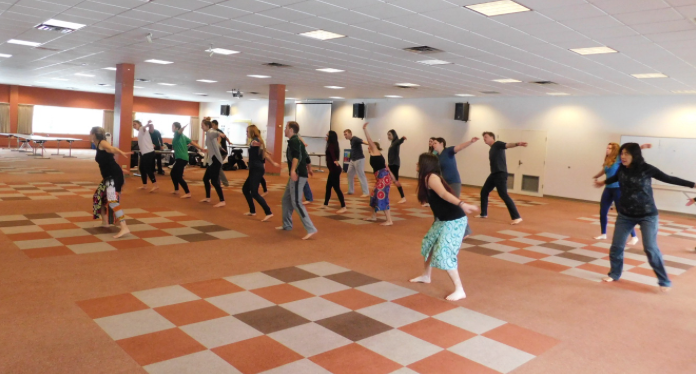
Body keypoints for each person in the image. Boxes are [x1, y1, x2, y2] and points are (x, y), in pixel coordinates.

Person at [594, 143, 695, 291]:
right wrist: (603, 181)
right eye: (621, 153)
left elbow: (669, 178)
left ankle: (664, 280)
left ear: (635, 155)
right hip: (625, 215)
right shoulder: (622, 168)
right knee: (616, 246)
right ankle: (615, 273)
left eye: (626, 154)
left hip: (647, 215)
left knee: (650, 248)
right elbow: (615, 177)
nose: (623, 156)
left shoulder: (647, 169)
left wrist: (693, 185)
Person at [410, 153, 479, 301]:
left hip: (454, 220)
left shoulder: (431, 177)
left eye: (419, 162)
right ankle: (426, 275)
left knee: (444, 252)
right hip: (443, 219)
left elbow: (443, 194)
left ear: (425, 164)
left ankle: (460, 289)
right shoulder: (426, 178)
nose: (416, 164)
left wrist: (463, 204)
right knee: (430, 243)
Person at [592, 142, 647, 244]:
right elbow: (604, 170)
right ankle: (603, 234)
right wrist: (596, 176)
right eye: (607, 148)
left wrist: (642, 147)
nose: (607, 150)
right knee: (603, 211)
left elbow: (631, 151)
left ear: (614, 150)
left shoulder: (618, 159)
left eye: (609, 148)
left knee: (622, 213)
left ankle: (634, 236)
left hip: (618, 189)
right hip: (608, 189)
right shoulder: (607, 160)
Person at [276, 121, 317, 240]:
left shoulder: (294, 140)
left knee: (296, 202)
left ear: (291, 130)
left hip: (298, 175)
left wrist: (293, 170)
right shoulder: (298, 140)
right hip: (298, 174)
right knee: (286, 199)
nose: (284, 130)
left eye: (285, 128)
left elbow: (297, 157)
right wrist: (309, 167)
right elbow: (306, 155)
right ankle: (287, 225)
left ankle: (311, 228)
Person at [89, 126, 131, 239]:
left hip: (113, 177)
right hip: (109, 176)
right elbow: (109, 158)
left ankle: (124, 227)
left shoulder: (102, 143)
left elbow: (111, 149)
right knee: (98, 196)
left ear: (94, 134)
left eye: (90, 133)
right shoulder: (98, 145)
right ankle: (105, 222)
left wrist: (120, 152)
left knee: (112, 201)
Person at [478, 132, 524, 225]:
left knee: (503, 195)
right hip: (494, 174)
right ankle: (483, 213)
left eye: (486, 137)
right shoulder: (492, 149)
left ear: (492, 137)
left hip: (500, 174)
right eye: (483, 138)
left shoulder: (497, 144)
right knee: (484, 191)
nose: (484, 139)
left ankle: (517, 217)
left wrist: (516, 144)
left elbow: (507, 145)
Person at [245, 125, 279, 221]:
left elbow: (259, 145)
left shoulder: (255, 141)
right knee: (245, 189)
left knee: (254, 193)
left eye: (247, 131)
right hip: (254, 168)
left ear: (252, 132)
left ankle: (268, 212)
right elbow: (264, 154)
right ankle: (252, 211)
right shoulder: (254, 141)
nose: (246, 133)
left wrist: (259, 144)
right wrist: (273, 163)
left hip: (257, 169)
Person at [362, 123, 394, 226]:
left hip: (383, 178)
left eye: (370, 145)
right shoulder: (373, 154)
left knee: (382, 197)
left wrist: (364, 129)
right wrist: (394, 179)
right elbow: (387, 167)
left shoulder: (375, 151)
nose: (369, 146)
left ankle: (389, 220)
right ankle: (373, 216)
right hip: (380, 178)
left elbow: (370, 140)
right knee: (374, 195)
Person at [193, 118, 226, 208]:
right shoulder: (208, 134)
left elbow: (215, 133)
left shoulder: (211, 132)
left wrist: (220, 134)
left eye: (202, 125)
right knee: (205, 179)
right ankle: (208, 198)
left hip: (216, 161)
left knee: (214, 181)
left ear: (207, 126)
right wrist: (207, 150)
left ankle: (222, 201)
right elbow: (213, 144)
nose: (201, 126)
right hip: (212, 160)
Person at [170, 122, 200, 199]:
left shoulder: (178, 134)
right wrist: (201, 148)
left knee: (178, 176)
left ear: (176, 128)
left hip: (182, 159)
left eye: (173, 126)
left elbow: (179, 132)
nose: (171, 127)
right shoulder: (183, 136)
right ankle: (176, 190)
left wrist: (182, 129)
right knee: (173, 173)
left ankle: (188, 192)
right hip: (182, 158)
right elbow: (192, 142)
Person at [324, 130, 347, 214]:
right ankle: (325, 204)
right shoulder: (332, 144)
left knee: (337, 188)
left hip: (335, 170)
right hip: (333, 170)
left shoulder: (331, 145)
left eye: (327, 135)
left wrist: (334, 161)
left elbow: (333, 155)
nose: (326, 136)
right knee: (328, 187)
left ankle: (343, 206)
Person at [132, 120, 158, 192]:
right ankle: (145, 185)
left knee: (147, 169)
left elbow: (144, 128)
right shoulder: (141, 132)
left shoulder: (141, 129)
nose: (134, 126)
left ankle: (155, 185)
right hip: (145, 153)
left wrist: (147, 124)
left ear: (139, 124)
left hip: (148, 153)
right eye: (133, 125)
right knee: (141, 169)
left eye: (135, 124)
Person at [343, 129, 369, 197]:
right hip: (353, 160)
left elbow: (363, 141)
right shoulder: (351, 141)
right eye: (344, 134)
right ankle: (350, 190)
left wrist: (371, 144)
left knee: (361, 175)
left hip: (359, 159)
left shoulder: (355, 138)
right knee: (349, 173)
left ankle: (366, 192)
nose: (345, 136)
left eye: (346, 134)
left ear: (350, 133)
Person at [387, 129, 407, 204]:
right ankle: (385, 195)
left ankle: (403, 197)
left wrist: (402, 139)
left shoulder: (396, 142)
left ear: (393, 135)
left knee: (396, 181)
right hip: (391, 164)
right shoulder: (392, 143)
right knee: (388, 179)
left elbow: (399, 142)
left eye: (389, 134)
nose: (388, 136)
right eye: (388, 135)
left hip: (394, 164)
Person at [211, 120, 230, 188]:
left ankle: (225, 182)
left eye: (213, 125)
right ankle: (217, 181)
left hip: (221, 153)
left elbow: (220, 141)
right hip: (221, 152)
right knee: (217, 167)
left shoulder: (218, 132)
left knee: (218, 167)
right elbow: (226, 137)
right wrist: (229, 142)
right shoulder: (217, 132)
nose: (212, 127)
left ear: (216, 125)